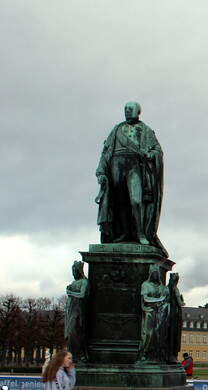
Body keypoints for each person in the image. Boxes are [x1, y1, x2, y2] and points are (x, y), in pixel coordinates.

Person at [95, 101, 166, 252]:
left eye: (130, 109)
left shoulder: (145, 130)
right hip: (116, 165)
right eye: (125, 109)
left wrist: (149, 154)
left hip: (134, 165)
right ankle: (125, 232)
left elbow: (158, 150)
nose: (127, 111)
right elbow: (106, 150)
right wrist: (101, 170)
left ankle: (140, 233)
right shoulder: (117, 129)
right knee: (121, 202)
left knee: (136, 200)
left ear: (138, 112)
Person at [64, 261, 89, 363]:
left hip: (78, 309)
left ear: (79, 271)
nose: (73, 273)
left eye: (74, 270)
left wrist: (70, 292)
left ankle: (79, 354)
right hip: (70, 309)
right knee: (69, 333)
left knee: (72, 330)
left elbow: (82, 295)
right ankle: (73, 354)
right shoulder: (74, 283)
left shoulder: (84, 282)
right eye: (72, 270)